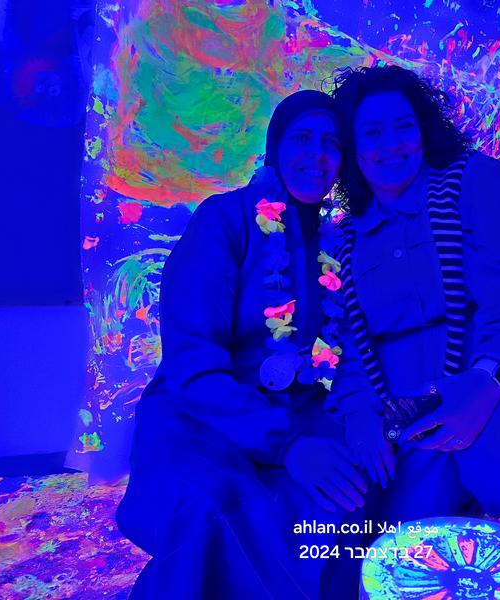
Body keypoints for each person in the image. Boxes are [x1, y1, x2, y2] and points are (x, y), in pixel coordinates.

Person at [326, 65, 500, 564]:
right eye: (372, 132)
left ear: (425, 129)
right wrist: (360, 415)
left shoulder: (477, 182)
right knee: (390, 544)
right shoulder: (346, 239)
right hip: (416, 410)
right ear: (352, 147)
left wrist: (486, 380)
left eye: (403, 125)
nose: (391, 143)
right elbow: (353, 349)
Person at [116, 90, 368, 599]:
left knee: (342, 500)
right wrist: (288, 446)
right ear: (276, 148)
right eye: (302, 138)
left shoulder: (341, 240)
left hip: (301, 413)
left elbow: (345, 354)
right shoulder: (224, 219)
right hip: (200, 417)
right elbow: (193, 363)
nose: (316, 154)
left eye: (331, 142)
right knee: (209, 504)